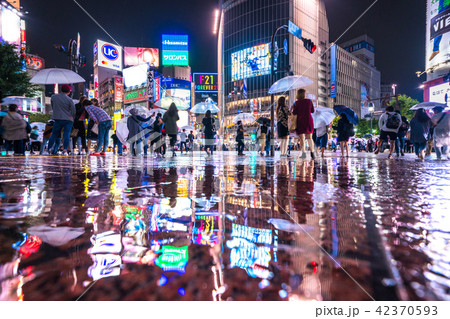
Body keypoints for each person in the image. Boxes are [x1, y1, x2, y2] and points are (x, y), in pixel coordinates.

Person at [46, 84, 76, 155]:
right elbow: (73, 111)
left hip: (58, 118)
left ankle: (48, 150)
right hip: (68, 119)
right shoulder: (69, 99)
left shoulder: (53, 97)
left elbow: (53, 107)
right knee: (67, 134)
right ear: (68, 91)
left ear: (61, 89)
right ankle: (65, 150)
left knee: (54, 134)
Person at [291, 89, 315, 159]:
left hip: (300, 121)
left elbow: (294, 113)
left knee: (302, 139)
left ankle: (303, 153)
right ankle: (312, 153)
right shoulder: (309, 101)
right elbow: (312, 111)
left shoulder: (296, 103)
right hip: (308, 120)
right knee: (309, 138)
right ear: (304, 94)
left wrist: (293, 107)